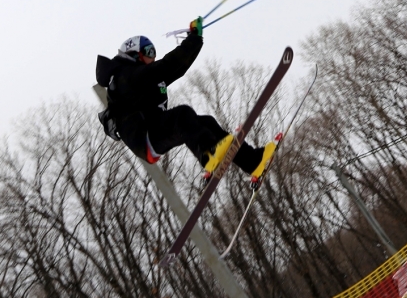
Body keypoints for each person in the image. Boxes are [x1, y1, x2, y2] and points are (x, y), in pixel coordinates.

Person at [95, 18, 275, 178]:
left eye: (154, 53)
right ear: (134, 54)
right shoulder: (126, 76)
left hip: (152, 129)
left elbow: (176, 68)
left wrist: (196, 39)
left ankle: (252, 162)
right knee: (182, 115)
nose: (153, 56)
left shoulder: (141, 76)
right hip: (144, 136)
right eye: (149, 52)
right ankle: (208, 155)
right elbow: (166, 66)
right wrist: (192, 39)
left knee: (207, 123)